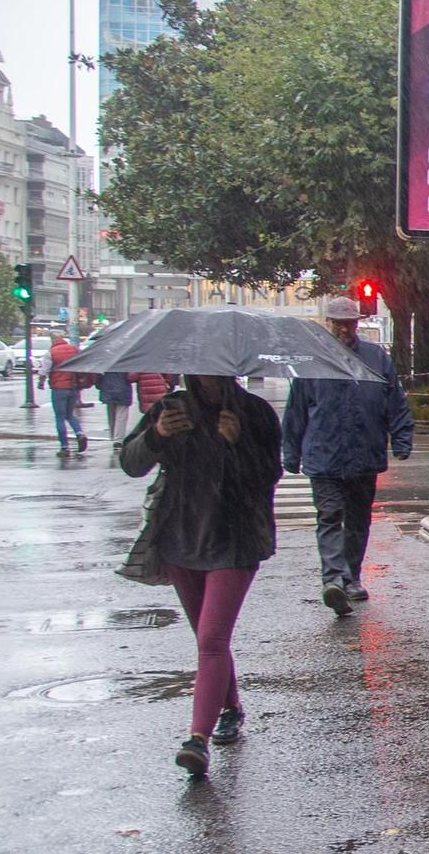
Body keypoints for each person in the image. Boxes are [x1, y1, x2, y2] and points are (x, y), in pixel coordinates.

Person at [118, 374, 283, 778]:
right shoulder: (171, 409)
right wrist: (156, 435)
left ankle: (197, 740)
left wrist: (238, 442)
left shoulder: (253, 412)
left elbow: (270, 476)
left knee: (211, 639)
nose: (204, 375)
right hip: (180, 539)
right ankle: (231, 707)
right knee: (208, 638)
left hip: (234, 541)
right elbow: (131, 463)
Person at [281, 297, 412, 616]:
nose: (343, 328)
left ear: (356, 323)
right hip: (323, 456)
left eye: (348, 322)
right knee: (329, 516)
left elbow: (394, 400)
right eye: (337, 322)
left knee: (357, 520)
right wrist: (291, 452)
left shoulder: (375, 358)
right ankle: (333, 580)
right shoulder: (311, 361)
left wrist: (401, 437)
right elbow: (296, 411)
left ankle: (351, 577)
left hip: (363, 453)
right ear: (328, 323)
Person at [38, 329, 92, 456]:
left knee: (60, 417)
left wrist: (41, 382)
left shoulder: (51, 352)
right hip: (73, 387)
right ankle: (79, 433)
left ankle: (64, 447)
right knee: (70, 414)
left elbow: (44, 370)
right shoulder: (74, 349)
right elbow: (82, 364)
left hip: (58, 388)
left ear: (53, 340)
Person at [98, 371, 134, 444]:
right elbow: (132, 377)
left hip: (107, 389)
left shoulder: (106, 362)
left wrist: (101, 385)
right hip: (123, 390)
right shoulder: (126, 362)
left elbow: (98, 378)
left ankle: (112, 437)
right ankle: (118, 440)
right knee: (121, 416)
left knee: (111, 416)